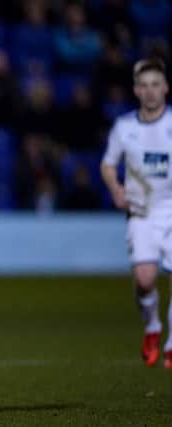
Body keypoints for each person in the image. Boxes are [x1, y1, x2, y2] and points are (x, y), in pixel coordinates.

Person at [101, 57, 172, 369]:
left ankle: (171, 346)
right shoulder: (125, 127)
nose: (151, 91)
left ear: (165, 88)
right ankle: (153, 326)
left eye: (156, 84)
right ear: (136, 90)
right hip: (141, 212)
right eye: (144, 86)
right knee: (145, 280)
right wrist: (116, 189)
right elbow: (107, 164)